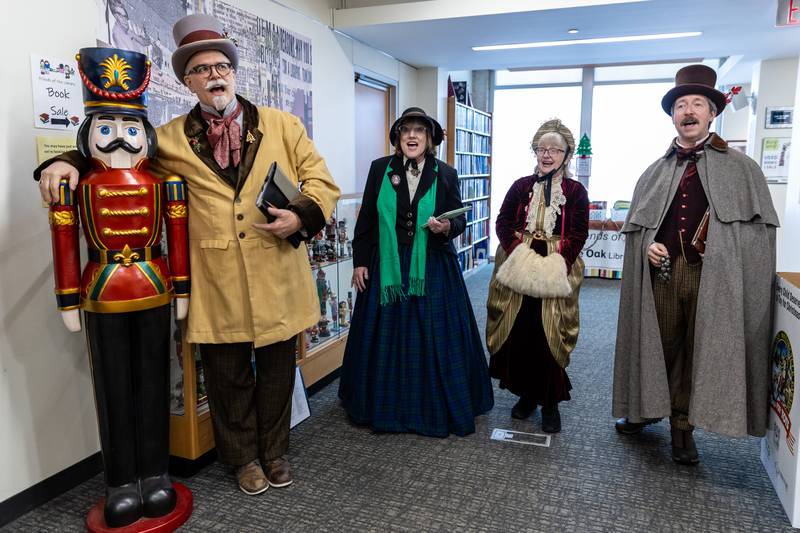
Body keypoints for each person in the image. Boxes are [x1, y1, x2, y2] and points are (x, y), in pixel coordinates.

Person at [35, 14, 340, 495]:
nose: (214, 75)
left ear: (234, 72)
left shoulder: (283, 124)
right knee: (226, 375)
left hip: (276, 267)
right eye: (201, 69)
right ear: (187, 81)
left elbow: (322, 181)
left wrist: (300, 215)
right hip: (214, 275)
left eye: (222, 65)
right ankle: (243, 460)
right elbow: (116, 150)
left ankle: (275, 451)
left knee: (280, 369)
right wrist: (66, 161)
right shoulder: (171, 138)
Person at [47, 46, 190, 528]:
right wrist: (68, 297)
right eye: (105, 128)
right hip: (101, 288)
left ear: (146, 134)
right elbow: (64, 240)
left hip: (154, 283)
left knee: (154, 383)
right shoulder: (76, 184)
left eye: (129, 129)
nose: (119, 140)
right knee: (112, 389)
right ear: (89, 133)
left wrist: (183, 290)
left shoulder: (165, 183)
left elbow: (178, 237)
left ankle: (156, 475)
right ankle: (120, 481)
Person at [612, 64, 779, 465]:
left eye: (696, 104)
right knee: (658, 346)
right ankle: (644, 408)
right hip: (664, 277)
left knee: (696, 351)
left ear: (711, 113)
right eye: (681, 105)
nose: (688, 111)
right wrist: (647, 245)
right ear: (673, 115)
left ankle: (682, 427)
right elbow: (638, 229)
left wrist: (726, 252)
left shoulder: (743, 170)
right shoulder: (655, 171)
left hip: (713, 278)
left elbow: (760, 235)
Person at [338, 107, 493, 437]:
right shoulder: (380, 169)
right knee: (383, 336)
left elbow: (462, 219)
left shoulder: (446, 173)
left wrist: (446, 226)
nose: (412, 135)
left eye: (419, 131)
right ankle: (381, 405)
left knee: (436, 334)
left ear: (429, 138)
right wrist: (360, 262)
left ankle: (431, 405)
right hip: (388, 266)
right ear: (397, 138)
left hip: (433, 265)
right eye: (405, 130)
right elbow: (367, 220)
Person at [486, 119, 589, 434]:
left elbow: (578, 231)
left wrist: (558, 260)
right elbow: (503, 221)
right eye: (542, 149)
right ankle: (527, 395)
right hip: (518, 261)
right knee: (521, 330)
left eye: (554, 150)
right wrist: (519, 251)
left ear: (566, 154)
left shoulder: (575, 191)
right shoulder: (520, 186)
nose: (547, 155)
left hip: (556, 264)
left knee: (549, 334)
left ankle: (550, 403)